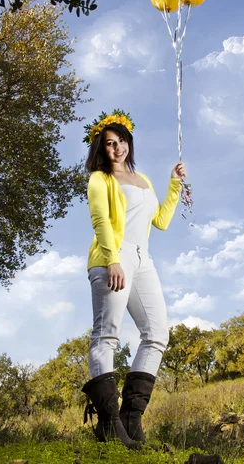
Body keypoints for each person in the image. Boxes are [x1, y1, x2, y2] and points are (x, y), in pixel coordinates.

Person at [81, 110, 186, 449]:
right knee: (106, 336)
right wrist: (113, 259)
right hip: (112, 256)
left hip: (143, 259)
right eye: (109, 143)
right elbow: (100, 220)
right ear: (101, 147)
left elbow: (161, 221)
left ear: (129, 142)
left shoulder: (142, 179)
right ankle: (109, 425)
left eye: (121, 140)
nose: (117, 147)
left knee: (157, 334)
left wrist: (174, 185)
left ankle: (130, 418)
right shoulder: (100, 179)